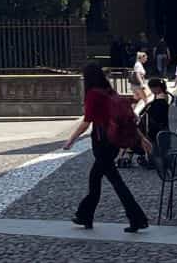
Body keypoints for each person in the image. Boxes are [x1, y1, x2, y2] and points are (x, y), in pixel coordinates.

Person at [63, 63, 150, 233]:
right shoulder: (110, 91)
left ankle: (136, 218)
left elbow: (86, 122)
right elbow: (127, 118)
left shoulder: (92, 95)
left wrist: (70, 140)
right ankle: (85, 216)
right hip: (113, 142)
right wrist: (141, 138)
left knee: (113, 182)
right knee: (96, 179)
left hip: (101, 141)